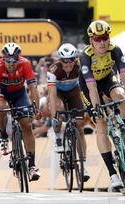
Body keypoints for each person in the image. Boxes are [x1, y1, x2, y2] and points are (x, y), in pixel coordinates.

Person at [79, 20, 125, 189]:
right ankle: (113, 174)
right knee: (101, 124)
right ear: (91, 40)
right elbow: (91, 88)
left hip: (107, 78)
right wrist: (97, 108)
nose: (102, 42)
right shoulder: (85, 56)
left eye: (105, 38)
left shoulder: (115, 50)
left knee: (120, 96)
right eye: (98, 39)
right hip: (89, 86)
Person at [0, 42, 42, 181]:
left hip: (19, 94)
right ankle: (3, 135)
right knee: (1, 109)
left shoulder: (25, 64)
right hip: (2, 94)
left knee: (27, 126)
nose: (11, 64)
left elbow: (33, 88)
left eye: (14, 60)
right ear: (3, 59)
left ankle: (32, 165)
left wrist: (36, 107)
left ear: (19, 58)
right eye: (8, 60)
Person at [47, 43, 90, 182]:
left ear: (75, 58)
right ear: (60, 60)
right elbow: (52, 96)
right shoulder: (53, 70)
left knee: (80, 126)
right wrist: (54, 116)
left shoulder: (80, 67)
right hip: (58, 94)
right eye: (65, 61)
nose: (69, 64)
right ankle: (59, 136)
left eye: (72, 59)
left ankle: (83, 163)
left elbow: (87, 87)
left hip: (73, 93)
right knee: (58, 109)